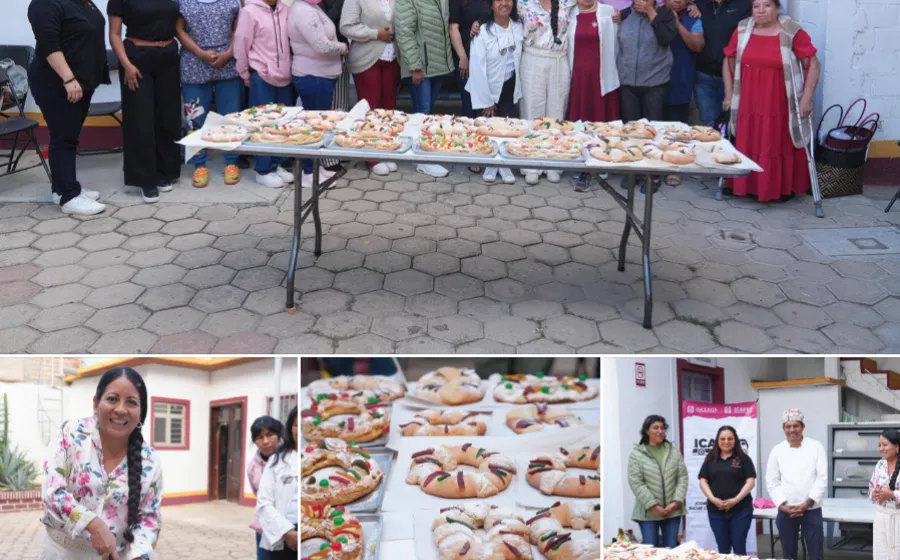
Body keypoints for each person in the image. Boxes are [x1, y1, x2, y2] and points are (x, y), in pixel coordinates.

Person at [39, 367, 162, 559]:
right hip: (61, 552)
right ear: (96, 403)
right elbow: (52, 492)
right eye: (112, 399)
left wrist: (138, 554)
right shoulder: (70, 434)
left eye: (131, 402)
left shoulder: (150, 460)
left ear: (141, 412)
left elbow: (149, 519)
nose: (121, 409)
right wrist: (92, 523)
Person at [722, 0, 819, 203]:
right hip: (748, 98)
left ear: (777, 8)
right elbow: (729, 60)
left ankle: (779, 188)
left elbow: (812, 63)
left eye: (767, 6)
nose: (761, 11)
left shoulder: (791, 29)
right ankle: (745, 185)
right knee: (747, 138)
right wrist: (729, 94)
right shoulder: (742, 29)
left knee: (774, 143)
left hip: (778, 101)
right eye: (756, 6)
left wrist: (807, 98)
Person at [27, 0, 108, 216]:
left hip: (81, 82)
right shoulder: (44, 4)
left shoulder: (81, 2)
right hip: (58, 83)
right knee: (64, 137)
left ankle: (62, 188)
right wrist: (68, 78)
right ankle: (69, 197)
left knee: (68, 135)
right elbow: (48, 44)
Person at [108, 0, 182, 204]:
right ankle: (145, 180)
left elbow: (177, 25)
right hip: (137, 60)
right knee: (141, 120)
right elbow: (114, 35)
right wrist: (127, 65)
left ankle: (164, 172)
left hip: (168, 57)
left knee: (167, 116)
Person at [176, 0, 244, 189]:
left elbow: (238, 27)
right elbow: (179, 30)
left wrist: (230, 52)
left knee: (230, 117)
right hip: (194, 63)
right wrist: (200, 52)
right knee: (195, 118)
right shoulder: (182, 1)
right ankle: (199, 164)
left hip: (227, 63)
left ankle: (231, 162)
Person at [234, 0, 296, 189]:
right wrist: (244, 72)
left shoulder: (285, 9)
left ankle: (277, 164)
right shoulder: (249, 12)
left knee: (282, 123)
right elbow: (241, 44)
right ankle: (263, 170)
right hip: (261, 74)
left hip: (286, 75)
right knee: (262, 124)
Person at [616, 0, 677, 194]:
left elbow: (666, 38)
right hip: (627, 82)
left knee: (653, 131)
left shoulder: (666, 15)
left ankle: (652, 174)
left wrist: (652, 12)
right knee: (631, 130)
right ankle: (633, 171)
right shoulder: (624, 15)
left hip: (655, 82)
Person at [289, 0, 348, 188]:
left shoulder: (312, 7)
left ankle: (316, 166)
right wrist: (344, 47)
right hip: (312, 75)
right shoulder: (302, 10)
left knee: (319, 127)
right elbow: (322, 46)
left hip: (321, 76)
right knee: (313, 128)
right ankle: (308, 172)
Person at [516, 0, 575, 185]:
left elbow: (590, 6)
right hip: (533, 57)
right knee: (532, 111)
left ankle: (553, 163)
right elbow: (499, 14)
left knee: (557, 113)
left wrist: (617, 14)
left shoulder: (568, 2)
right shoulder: (522, 3)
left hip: (559, 59)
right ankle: (531, 164)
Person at [340, 0, 401, 176]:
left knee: (388, 109)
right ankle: (372, 157)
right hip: (367, 59)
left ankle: (385, 149)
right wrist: (375, 34)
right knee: (370, 109)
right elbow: (346, 26)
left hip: (392, 58)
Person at [395, 0, 454, 178]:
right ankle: (423, 160)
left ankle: (424, 150)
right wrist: (414, 66)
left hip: (438, 66)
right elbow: (404, 31)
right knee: (423, 112)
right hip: (420, 68)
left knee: (426, 113)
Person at [465, 0, 522, 185]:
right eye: (499, 0)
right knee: (489, 127)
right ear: (490, 5)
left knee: (506, 125)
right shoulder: (482, 32)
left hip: (509, 84)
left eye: (508, 0)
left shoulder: (519, 26)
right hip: (487, 86)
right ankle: (490, 164)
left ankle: (504, 164)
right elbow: (477, 68)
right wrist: (486, 100)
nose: (504, 4)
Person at [565, 0, 619, 192]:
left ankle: (601, 159)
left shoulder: (609, 12)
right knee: (580, 118)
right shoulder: (568, 12)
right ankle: (579, 158)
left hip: (601, 76)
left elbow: (617, 42)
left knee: (599, 119)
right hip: (578, 76)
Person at [765, 408, 827, 560]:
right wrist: (782, 505)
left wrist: (808, 503)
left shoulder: (816, 447)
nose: (792, 430)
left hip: (812, 509)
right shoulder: (777, 450)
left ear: (802, 427)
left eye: (796, 426)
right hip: (786, 510)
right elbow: (772, 481)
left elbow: (822, 478)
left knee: (816, 554)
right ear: (784, 429)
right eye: (788, 426)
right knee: (789, 554)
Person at [628, 414, 688, 548]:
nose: (660, 431)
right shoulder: (637, 454)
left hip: (673, 511)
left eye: (662, 428)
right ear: (647, 431)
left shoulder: (674, 452)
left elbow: (682, 477)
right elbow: (636, 482)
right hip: (648, 512)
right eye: (655, 428)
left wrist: (675, 502)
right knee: (650, 550)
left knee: (671, 548)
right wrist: (653, 506)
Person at [662, 0, 703, 186]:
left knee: (677, 126)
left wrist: (677, 23)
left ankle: (674, 168)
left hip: (681, 76)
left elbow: (697, 46)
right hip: (654, 78)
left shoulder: (693, 18)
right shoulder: (654, 13)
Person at [698, 425, 756, 555]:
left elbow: (750, 482)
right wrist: (713, 499)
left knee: (739, 548)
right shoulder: (710, 459)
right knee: (723, 549)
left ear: (735, 440)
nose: (726, 442)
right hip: (716, 511)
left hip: (740, 510)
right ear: (717, 440)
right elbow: (703, 480)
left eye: (730, 438)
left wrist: (735, 500)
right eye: (722, 438)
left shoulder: (744, 459)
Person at [691, 0, 751, 126]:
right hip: (703, 75)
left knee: (732, 124)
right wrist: (689, 5)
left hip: (732, 77)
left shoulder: (745, 5)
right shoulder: (700, 4)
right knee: (709, 123)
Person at [257, 405, 298, 559]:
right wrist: (287, 533)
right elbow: (264, 503)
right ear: (290, 427)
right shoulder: (276, 460)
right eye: (296, 424)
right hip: (284, 532)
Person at [248, 415, 284, 560]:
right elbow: (258, 494)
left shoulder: (289, 460)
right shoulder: (252, 467)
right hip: (264, 529)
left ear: (279, 435)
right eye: (259, 437)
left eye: (270, 435)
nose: (265, 441)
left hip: (289, 529)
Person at [450, 0, 491, 120]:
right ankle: (471, 137)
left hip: (489, 59)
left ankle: (487, 136)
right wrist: (463, 57)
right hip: (466, 57)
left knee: (488, 105)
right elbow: (452, 28)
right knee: (470, 106)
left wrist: (479, 23)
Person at [870, 429, 900, 560]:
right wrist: (875, 494)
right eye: (879, 445)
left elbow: (891, 494)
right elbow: (871, 487)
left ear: (897, 446)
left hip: (898, 517)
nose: (880, 448)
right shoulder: (880, 464)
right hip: (881, 517)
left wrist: (892, 494)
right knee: (881, 554)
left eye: (884, 444)